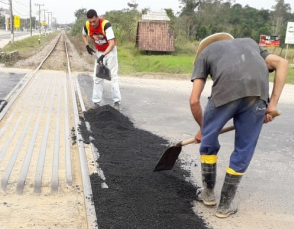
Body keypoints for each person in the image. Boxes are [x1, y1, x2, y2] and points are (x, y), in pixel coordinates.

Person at [189, 32, 288, 218]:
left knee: (208, 143)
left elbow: (194, 101)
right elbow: (282, 63)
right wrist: (271, 105)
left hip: (224, 94)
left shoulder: (205, 53)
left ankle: (208, 194)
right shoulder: (250, 44)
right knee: (244, 148)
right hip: (257, 96)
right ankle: (224, 205)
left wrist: (204, 130)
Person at [82, 9, 122, 110]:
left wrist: (103, 56)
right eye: (90, 22)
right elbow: (84, 35)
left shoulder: (105, 25)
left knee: (113, 76)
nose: (92, 24)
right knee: (97, 76)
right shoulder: (87, 25)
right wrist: (87, 46)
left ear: (97, 17)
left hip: (110, 51)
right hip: (99, 51)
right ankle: (96, 102)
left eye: (94, 21)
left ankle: (116, 102)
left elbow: (112, 43)